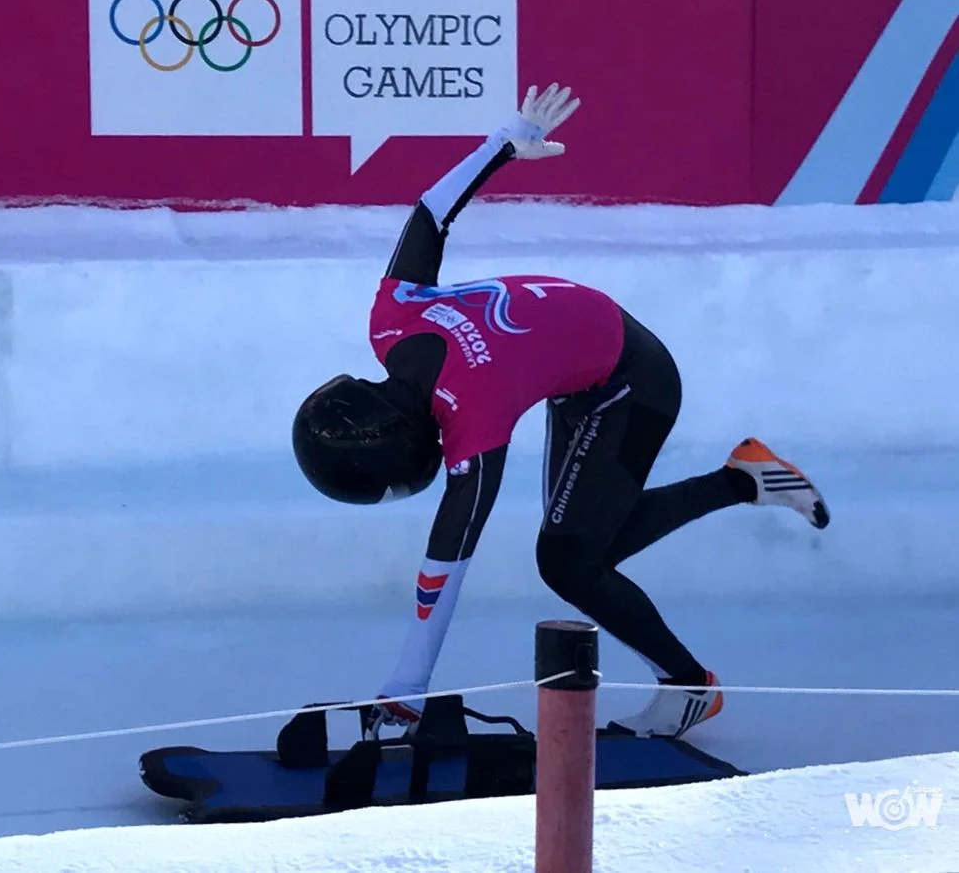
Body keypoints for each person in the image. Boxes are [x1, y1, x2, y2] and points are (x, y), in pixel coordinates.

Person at [290, 82, 830, 740]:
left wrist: (406, 688)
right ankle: (743, 479)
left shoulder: (475, 417)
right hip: (585, 360)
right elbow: (429, 214)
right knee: (587, 544)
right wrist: (502, 146)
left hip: (632, 381)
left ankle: (690, 686)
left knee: (570, 561)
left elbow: (447, 563)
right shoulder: (390, 321)